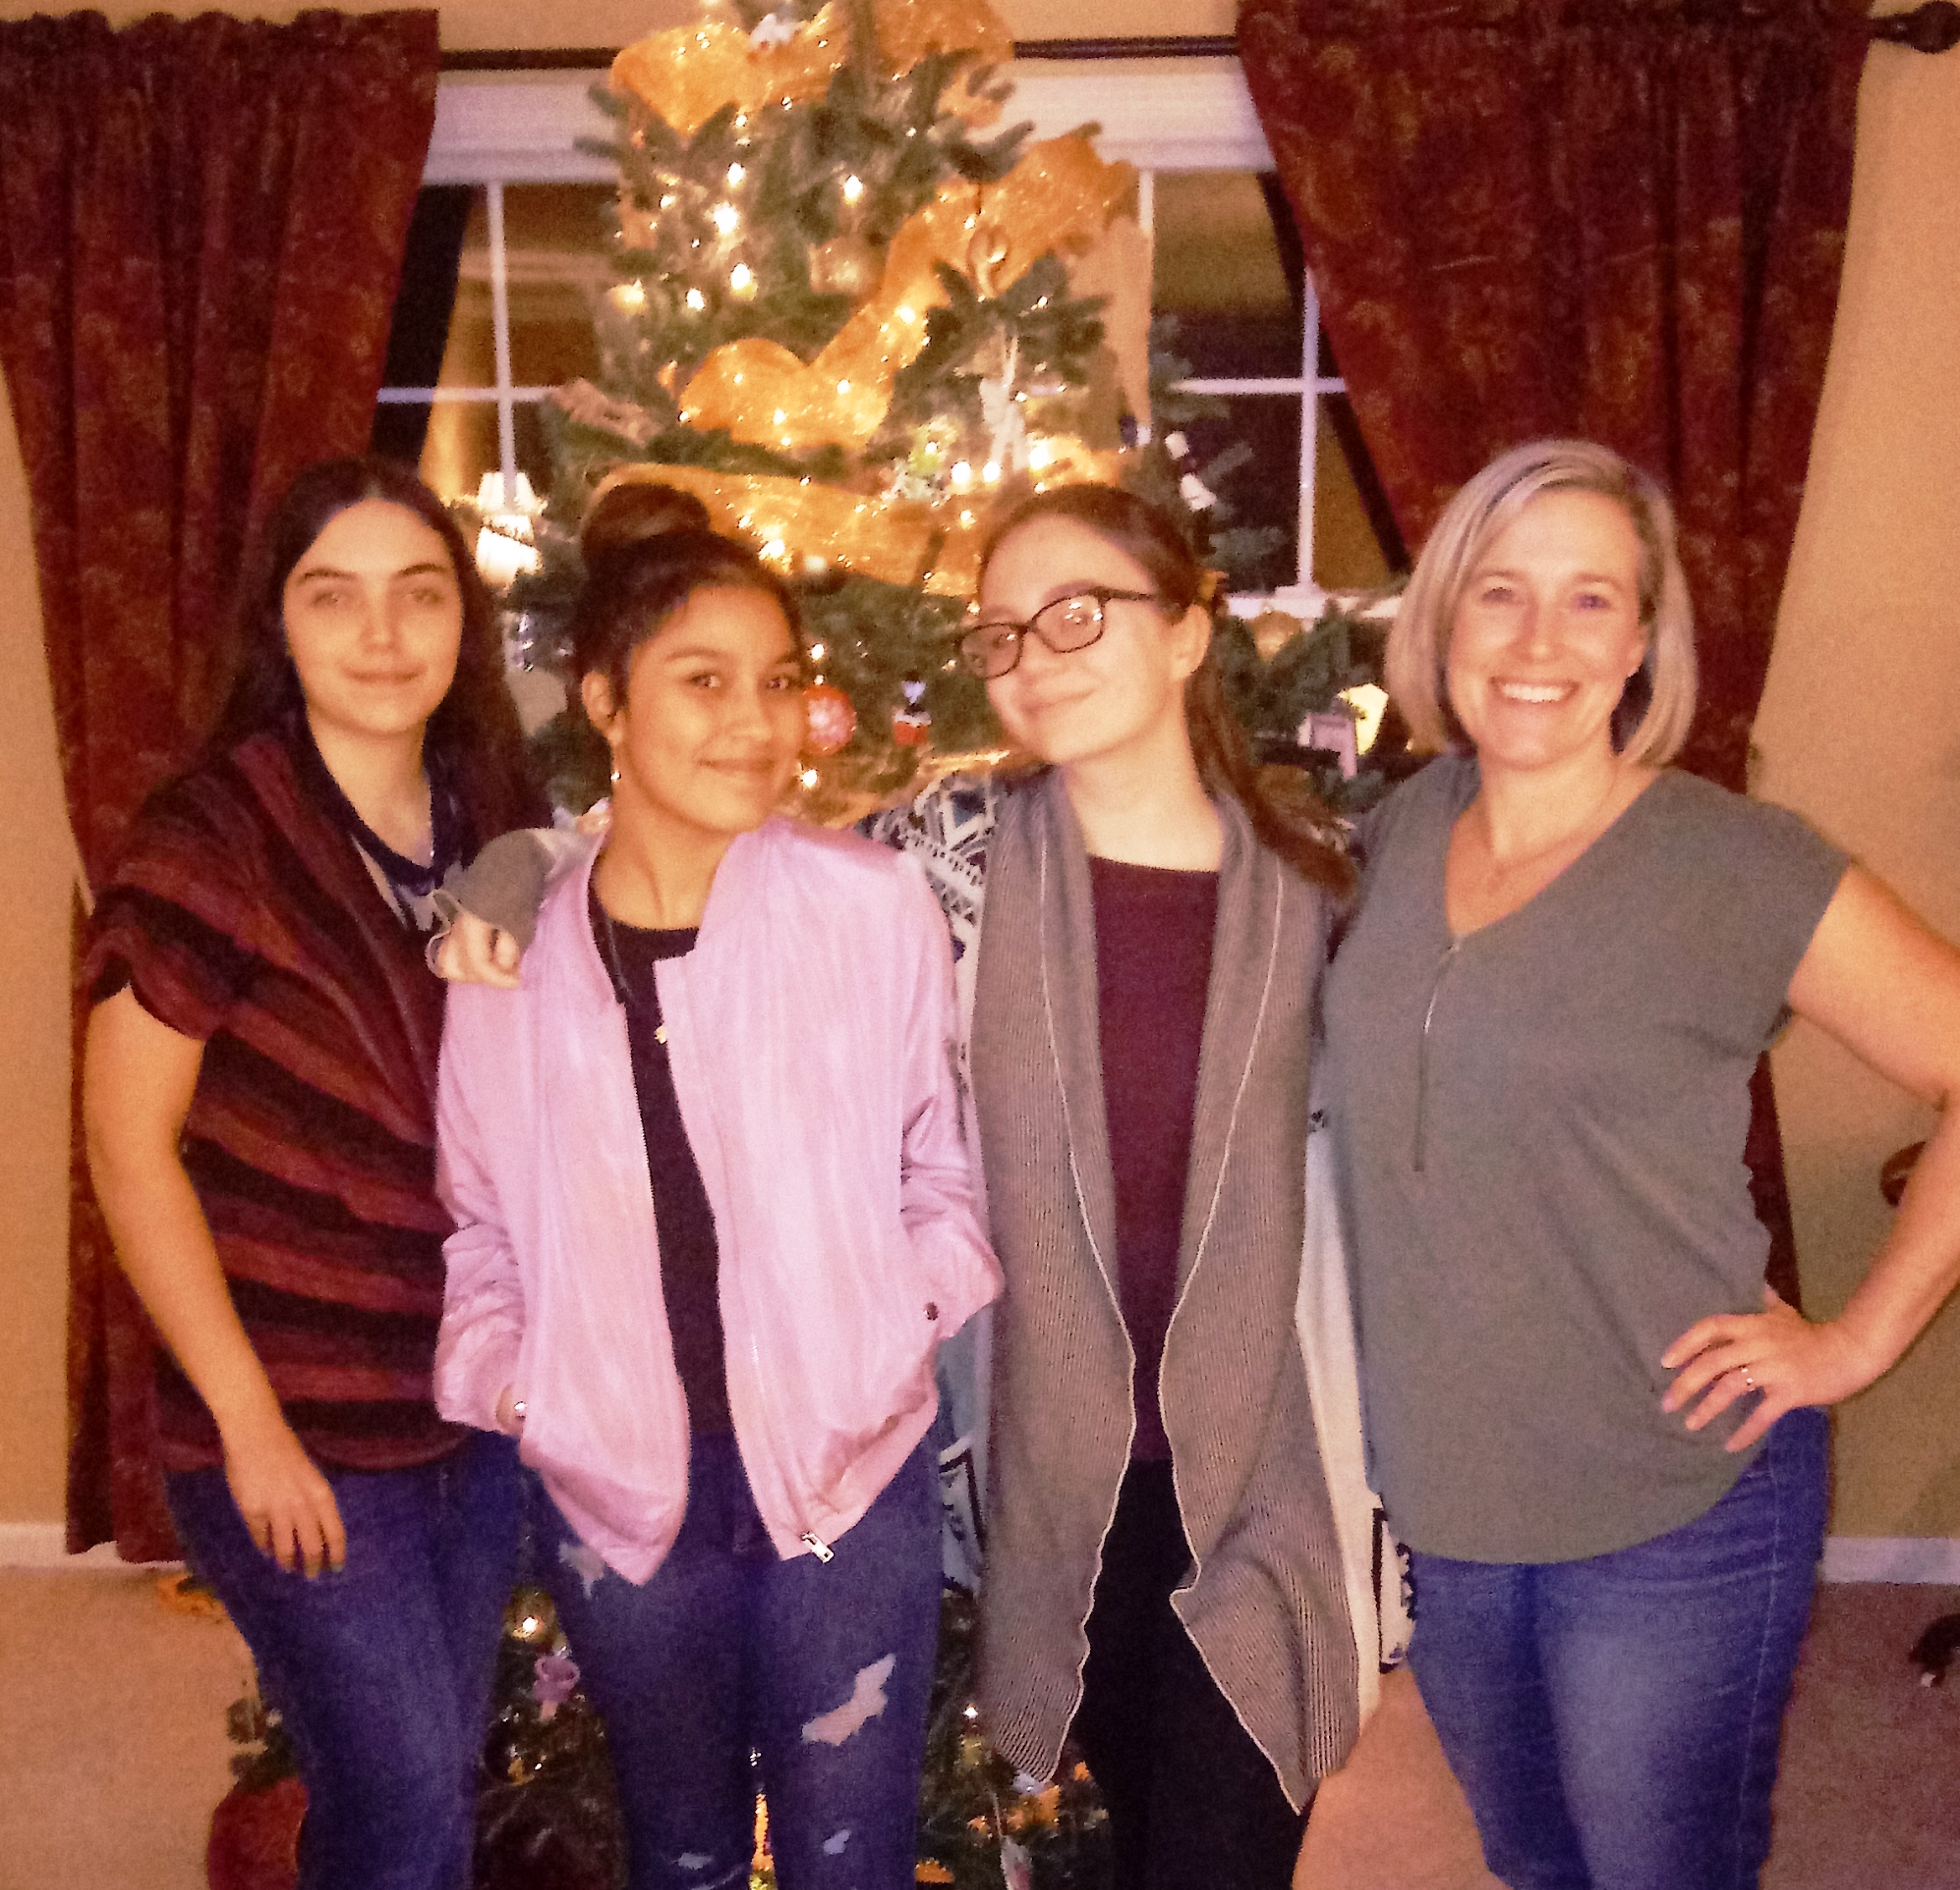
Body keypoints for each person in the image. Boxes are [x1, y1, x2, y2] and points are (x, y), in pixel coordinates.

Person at [435, 479, 1394, 1889]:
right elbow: (684, 858)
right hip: (1058, 1473)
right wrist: (519, 864)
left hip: (1264, 1466)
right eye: (1004, 630)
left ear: (1191, 630)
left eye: (1080, 613)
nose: (1036, 655)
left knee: (1221, 1838)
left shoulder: (1326, 884)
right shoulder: (949, 860)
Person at [1320, 437, 1960, 1890]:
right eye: (1500, 592)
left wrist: (1857, 1341)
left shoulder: (1736, 863)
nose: (1538, 641)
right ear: (1445, 617)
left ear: (1641, 644)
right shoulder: (1397, 833)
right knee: (1531, 1859)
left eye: (1591, 599)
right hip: (1452, 1497)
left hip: (1678, 1484)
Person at [430, 486, 1001, 1890]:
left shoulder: (869, 909)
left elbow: (941, 1166)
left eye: (780, 681)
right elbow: (480, 1223)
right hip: (625, 1496)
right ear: (605, 702)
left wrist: (888, 1327)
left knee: (848, 1860)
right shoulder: (509, 960)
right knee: (679, 1853)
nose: (758, 721)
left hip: (844, 1481)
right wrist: (522, 1387)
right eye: (704, 680)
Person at [81, 456, 544, 1890]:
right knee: (403, 1809)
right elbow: (127, 1148)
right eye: (333, 596)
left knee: (417, 1790)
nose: (383, 633)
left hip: (469, 1405)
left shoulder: (487, 814)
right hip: (295, 1420)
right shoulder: (214, 839)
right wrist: (250, 1428)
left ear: (463, 618)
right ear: (278, 626)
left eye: (420, 593)